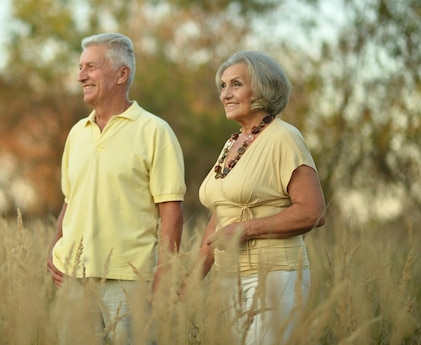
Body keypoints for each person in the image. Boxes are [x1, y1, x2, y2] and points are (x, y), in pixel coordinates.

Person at [46, 32, 186, 345]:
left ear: (122, 74)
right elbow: (71, 200)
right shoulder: (76, 134)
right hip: (72, 279)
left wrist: (164, 277)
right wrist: (55, 249)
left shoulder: (155, 131)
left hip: (130, 281)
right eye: (81, 67)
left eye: (91, 67)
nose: (81, 75)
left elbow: (172, 212)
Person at [186, 50, 326, 345]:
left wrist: (245, 230)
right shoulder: (233, 143)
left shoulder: (284, 137)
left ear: (262, 88)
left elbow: (313, 211)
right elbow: (220, 216)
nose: (226, 94)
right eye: (222, 86)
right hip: (229, 280)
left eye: (236, 84)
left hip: (274, 276)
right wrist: (192, 281)